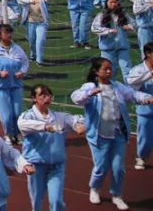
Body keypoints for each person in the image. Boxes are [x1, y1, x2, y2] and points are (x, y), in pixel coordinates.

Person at [71, 56, 153, 208]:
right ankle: (94, 188)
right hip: (99, 134)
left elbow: (133, 95)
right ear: (96, 71)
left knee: (118, 168)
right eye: (105, 69)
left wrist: (148, 98)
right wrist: (89, 94)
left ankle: (117, 194)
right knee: (101, 167)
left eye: (110, 68)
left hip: (118, 134)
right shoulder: (89, 86)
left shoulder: (117, 86)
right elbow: (75, 97)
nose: (109, 71)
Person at [18, 84, 85, 211]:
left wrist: (79, 125)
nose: (46, 98)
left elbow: (75, 118)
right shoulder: (28, 116)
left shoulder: (59, 116)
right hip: (36, 166)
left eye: (48, 95)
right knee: (37, 199)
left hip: (56, 166)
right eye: (42, 95)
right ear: (34, 98)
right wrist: (44, 126)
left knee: (56, 201)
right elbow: (22, 124)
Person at [0, 24, 29, 145]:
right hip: (1, 87)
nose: (9, 35)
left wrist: (22, 72)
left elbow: (25, 62)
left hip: (16, 85)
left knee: (17, 113)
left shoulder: (17, 48)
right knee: (6, 115)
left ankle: (18, 134)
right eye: (6, 32)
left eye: (10, 32)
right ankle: (8, 134)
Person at [92, 0, 135, 81]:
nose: (113, 4)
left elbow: (134, 24)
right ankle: (111, 90)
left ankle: (130, 90)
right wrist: (108, 31)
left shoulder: (123, 14)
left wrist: (129, 26)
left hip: (122, 47)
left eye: (115, 2)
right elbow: (94, 28)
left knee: (127, 69)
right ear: (107, 3)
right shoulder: (101, 15)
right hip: (108, 48)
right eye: (111, 2)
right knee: (110, 71)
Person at [127, 42, 153, 170]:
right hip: (146, 110)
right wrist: (149, 74)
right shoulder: (138, 70)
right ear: (148, 54)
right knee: (146, 138)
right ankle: (141, 157)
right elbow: (131, 82)